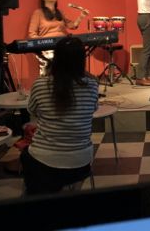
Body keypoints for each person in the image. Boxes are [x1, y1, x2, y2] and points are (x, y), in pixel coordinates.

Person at [20, 37, 99, 195]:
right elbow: (93, 109)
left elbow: (32, 111)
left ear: (56, 58)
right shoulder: (92, 85)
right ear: (82, 60)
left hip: (44, 161)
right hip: (81, 161)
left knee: (25, 155)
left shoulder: (40, 84)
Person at [28, 0, 88, 75]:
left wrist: (81, 16)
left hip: (63, 43)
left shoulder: (59, 12)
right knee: (56, 60)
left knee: (76, 54)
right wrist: (42, 43)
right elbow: (32, 34)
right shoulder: (38, 13)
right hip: (47, 46)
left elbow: (72, 26)